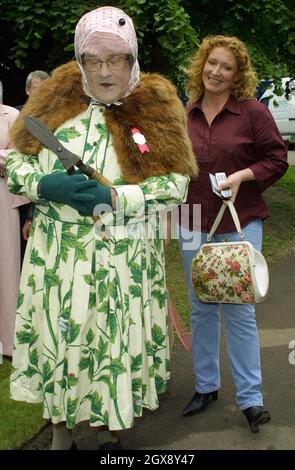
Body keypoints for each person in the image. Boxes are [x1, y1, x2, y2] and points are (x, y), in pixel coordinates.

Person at [7, 6, 197, 450]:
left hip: (124, 261)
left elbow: (176, 185)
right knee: (62, 341)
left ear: (133, 59)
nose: (105, 71)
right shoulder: (53, 99)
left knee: (110, 345)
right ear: (80, 58)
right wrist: (43, 183)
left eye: (117, 59)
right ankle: (59, 432)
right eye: (94, 60)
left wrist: (117, 197)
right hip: (59, 260)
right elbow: (14, 161)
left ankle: (111, 430)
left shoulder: (153, 107)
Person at [178, 35, 288, 433]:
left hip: (239, 224)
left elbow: (277, 159)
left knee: (239, 310)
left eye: (226, 66)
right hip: (191, 223)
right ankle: (206, 386)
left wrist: (244, 175)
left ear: (237, 74)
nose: (216, 72)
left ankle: (251, 399)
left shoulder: (252, 113)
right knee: (201, 307)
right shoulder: (185, 114)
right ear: (201, 65)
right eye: (212, 63)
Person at [0, 81, 28, 357]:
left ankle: (8, 342)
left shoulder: (11, 115)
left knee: (7, 269)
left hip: (3, 198)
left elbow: (20, 156)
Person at [16, 70, 50, 261]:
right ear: (28, 90)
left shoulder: (54, 120)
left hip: (36, 198)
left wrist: (30, 215)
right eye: (37, 89)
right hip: (11, 195)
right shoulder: (13, 116)